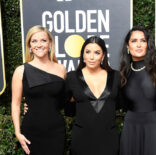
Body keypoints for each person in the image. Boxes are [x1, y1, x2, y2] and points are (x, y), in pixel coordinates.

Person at [11, 25, 66, 154]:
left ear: (50, 43)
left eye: (43, 40)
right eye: (34, 41)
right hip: (31, 131)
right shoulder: (21, 71)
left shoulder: (61, 69)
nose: (39, 44)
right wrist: (17, 133)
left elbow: (63, 100)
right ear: (29, 45)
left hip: (56, 130)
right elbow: (15, 105)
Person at [65, 36, 121, 155]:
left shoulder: (116, 76)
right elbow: (67, 109)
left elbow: (120, 104)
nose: (91, 57)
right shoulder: (72, 77)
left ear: (103, 56)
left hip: (109, 139)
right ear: (83, 55)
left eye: (97, 52)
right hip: (81, 140)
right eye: (88, 52)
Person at [119, 26, 156, 155]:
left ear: (148, 45)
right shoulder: (123, 72)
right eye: (134, 41)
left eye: (143, 41)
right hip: (130, 127)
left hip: (153, 126)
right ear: (128, 46)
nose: (138, 45)